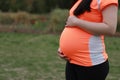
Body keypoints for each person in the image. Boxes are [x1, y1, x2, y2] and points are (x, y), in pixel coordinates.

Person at [58, 0, 118, 80]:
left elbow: (110, 29)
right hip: (72, 61)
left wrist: (77, 22)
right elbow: (71, 24)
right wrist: (64, 48)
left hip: (90, 64)